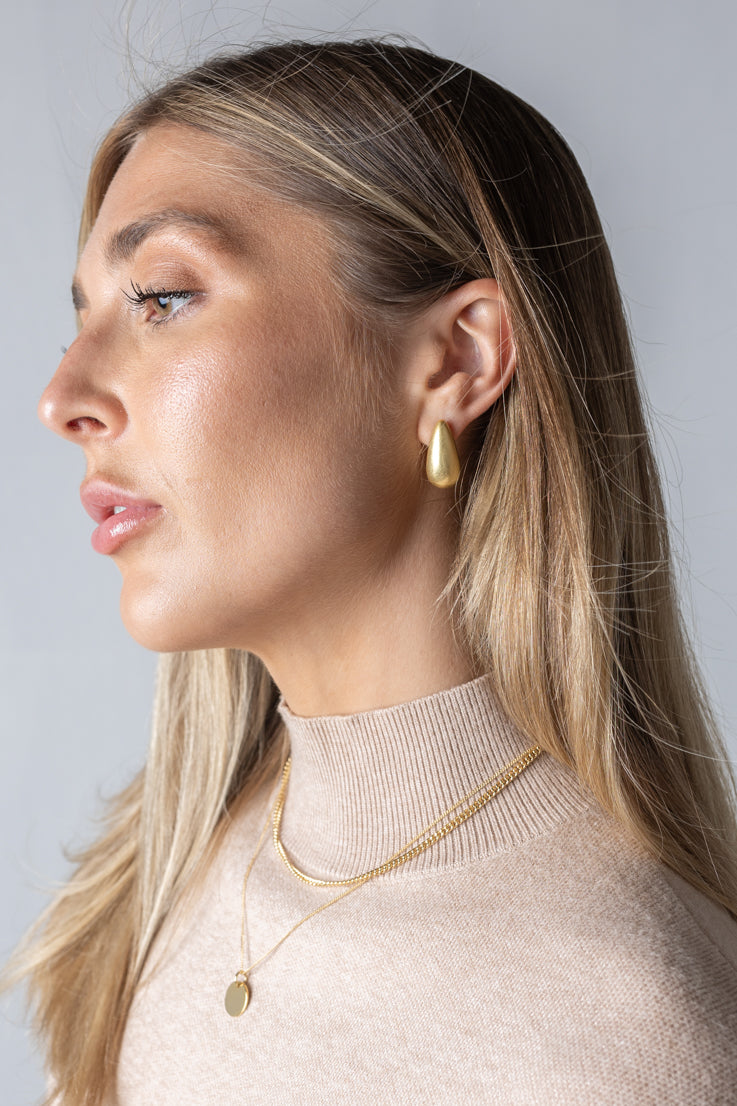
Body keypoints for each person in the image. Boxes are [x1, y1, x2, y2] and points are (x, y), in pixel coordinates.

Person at [7, 37, 737, 1106]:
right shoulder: (162, 882)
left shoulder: (622, 1043)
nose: (61, 396)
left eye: (161, 297)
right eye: (85, 317)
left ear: (456, 359)